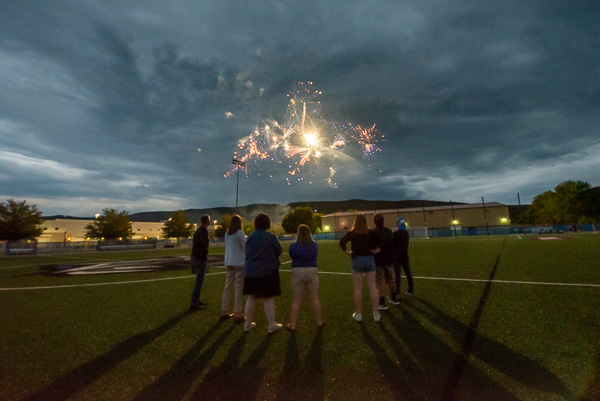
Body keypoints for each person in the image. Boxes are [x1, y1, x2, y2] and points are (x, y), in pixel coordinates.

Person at [243, 213, 283, 333]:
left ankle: (247, 325)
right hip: (267, 271)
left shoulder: (250, 237)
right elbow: (279, 250)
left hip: (251, 272)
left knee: (251, 297)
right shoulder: (270, 236)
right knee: (268, 298)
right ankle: (271, 325)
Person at [339, 213, 382, 322]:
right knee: (373, 287)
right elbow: (382, 242)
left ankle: (358, 314)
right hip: (369, 259)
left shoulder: (352, 232)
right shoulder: (370, 232)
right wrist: (375, 251)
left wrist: (347, 252)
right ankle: (376, 314)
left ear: (355, 221)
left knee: (358, 288)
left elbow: (342, 242)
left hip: (357, 260)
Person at [287, 224, 323, 331]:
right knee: (314, 298)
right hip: (311, 270)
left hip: (297, 271)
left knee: (296, 300)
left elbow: (292, 255)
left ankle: (293, 325)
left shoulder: (293, 245)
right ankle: (319, 322)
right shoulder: (314, 245)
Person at [220, 214, 246, 323]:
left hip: (229, 261)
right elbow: (245, 247)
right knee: (238, 288)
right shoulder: (239, 233)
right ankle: (237, 313)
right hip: (239, 262)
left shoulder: (227, 233)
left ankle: (224, 311)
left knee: (228, 286)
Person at [372, 213, 398, 309]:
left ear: (374, 222)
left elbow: (379, 244)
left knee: (381, 281)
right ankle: (394, 298)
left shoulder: (374, 232)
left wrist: (376, 250)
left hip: (379, 260)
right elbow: (392, 243)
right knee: (391, 279)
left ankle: (382, 303)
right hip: (389, 259)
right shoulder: (388, 231)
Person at [190, 214, 211, 311]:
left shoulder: (198, 230)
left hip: (195, 257)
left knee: (199, 281)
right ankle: (194, 302)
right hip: (200, 259)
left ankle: (197, 300)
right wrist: (204, 255)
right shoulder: (203, 231)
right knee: (199, 282)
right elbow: (203, 245)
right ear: (207, 221)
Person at [392, 216, 414, 297]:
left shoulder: (395, 234)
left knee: (397, 276)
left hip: (397, 257)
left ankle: (397, 292)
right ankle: (410, 290)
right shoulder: (406, 234)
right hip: (404, 256)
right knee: (408, 273)